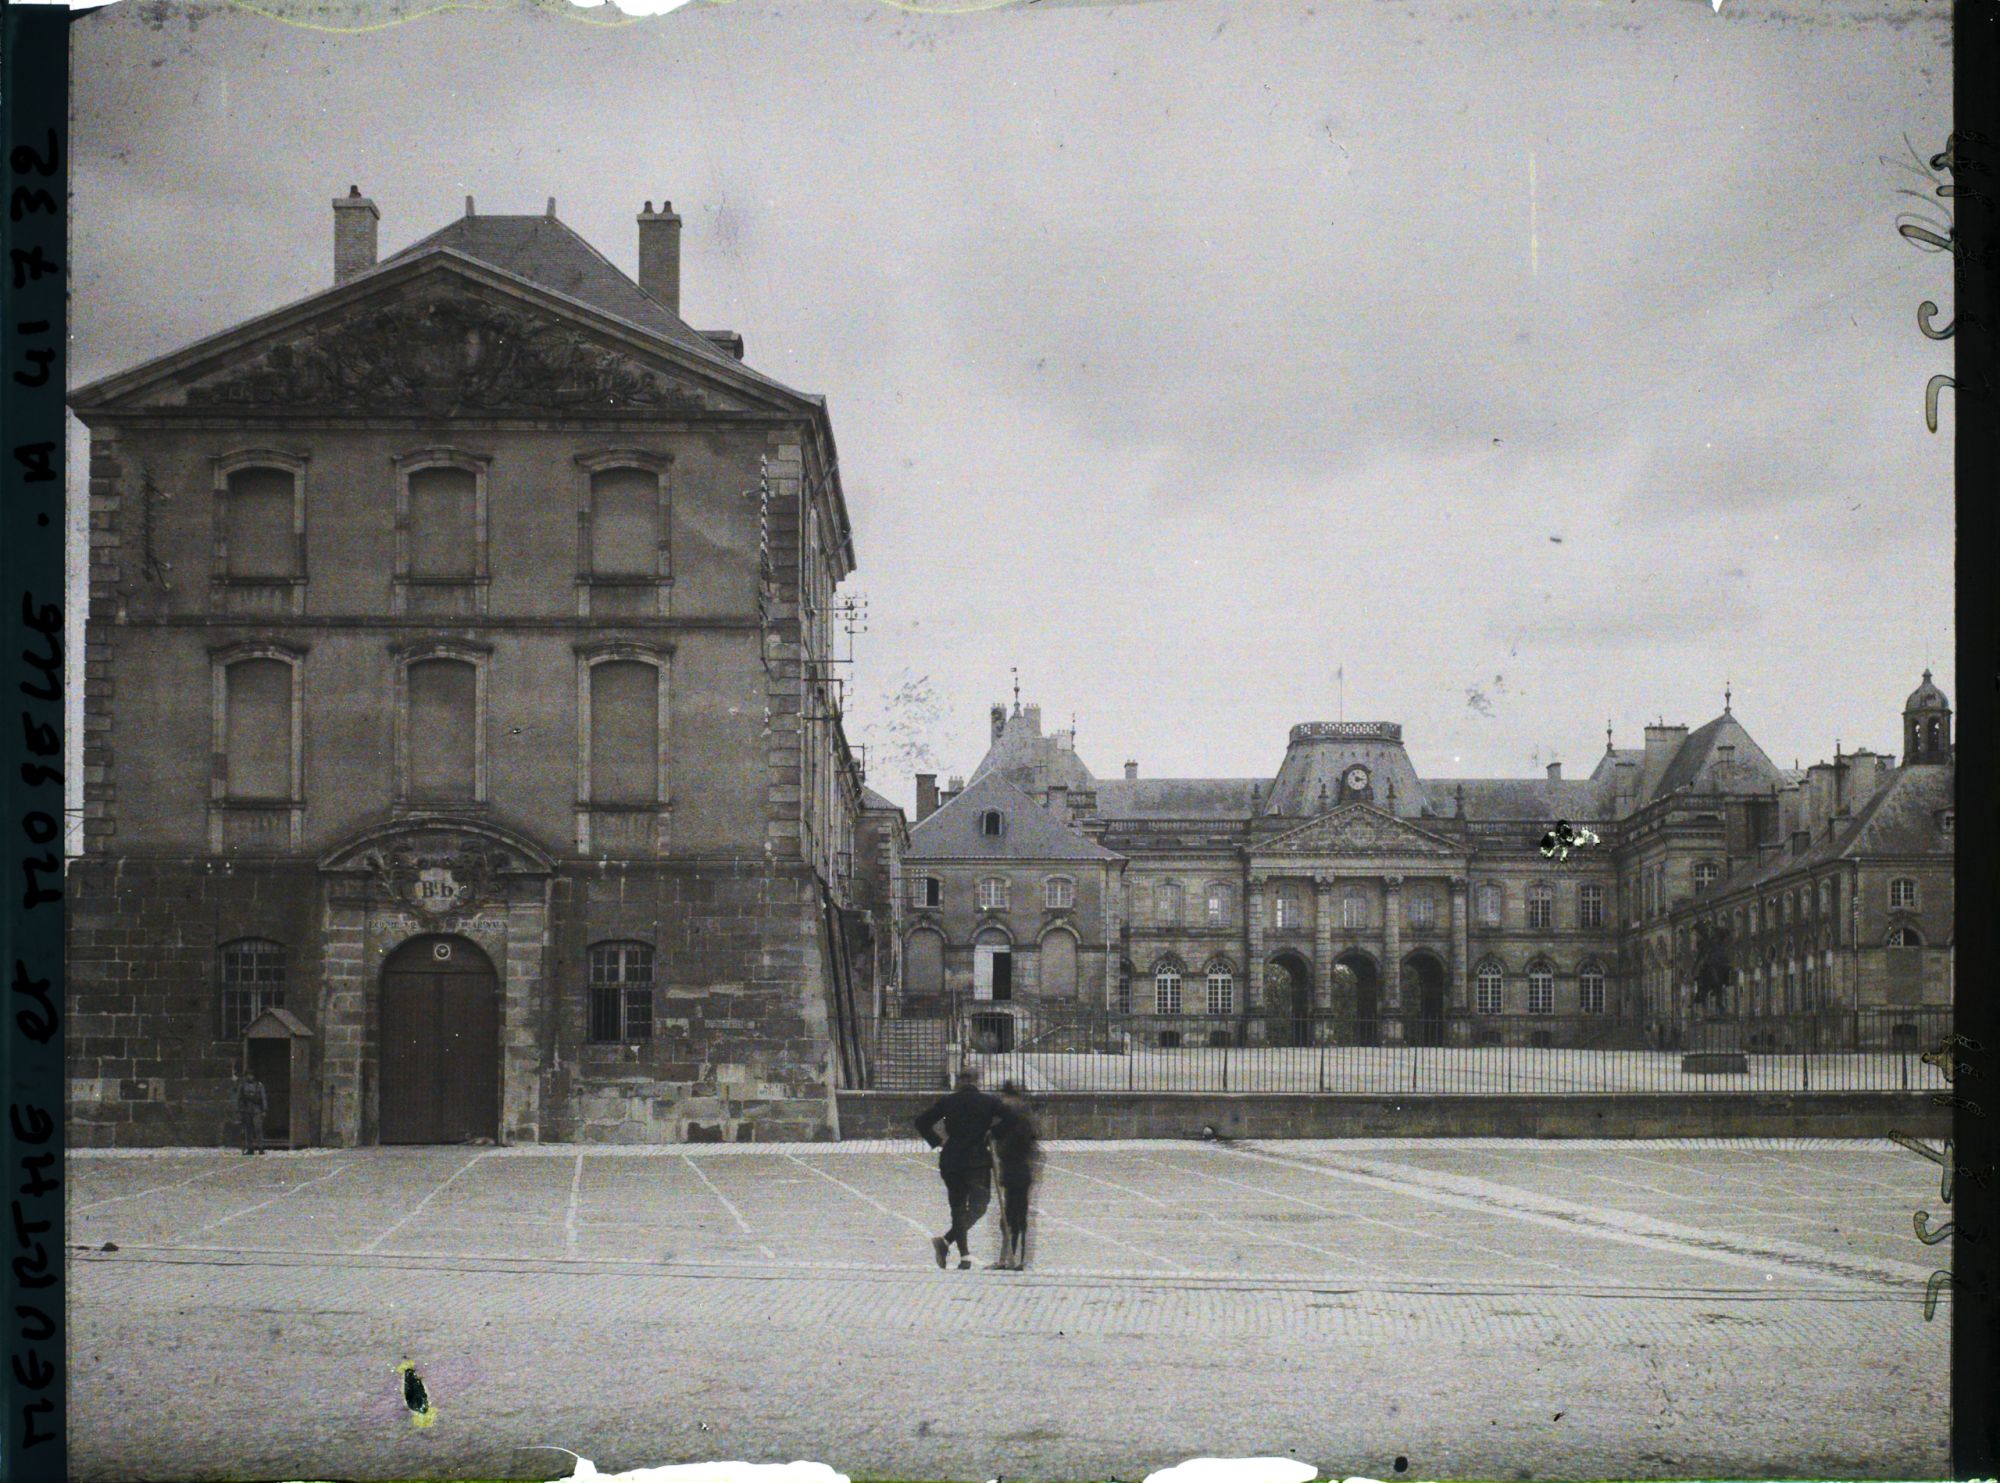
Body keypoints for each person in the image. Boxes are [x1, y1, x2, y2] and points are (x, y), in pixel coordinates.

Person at [914, 1065, 1016, 1270]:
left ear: (960, 1080)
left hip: (951, 1160)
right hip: (976, 1161)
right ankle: (948, 1243)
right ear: (978, 1081)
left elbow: (922, 1121)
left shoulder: (948, 1101)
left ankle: (963, 1255)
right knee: (979, 1205)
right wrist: (993, 1133)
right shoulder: (989, 1101)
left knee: (958, 1207)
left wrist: (939, 1141)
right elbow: (1012, 1118)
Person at [991, 1080, 1042, 1271]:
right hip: (1016, 1170)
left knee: (1014, 1216)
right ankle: (1010, 1257)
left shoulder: (1018, 1120)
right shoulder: (1019, 1118)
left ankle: (1016, 1259)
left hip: (1017, 1170)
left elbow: (1013, 1146)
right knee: (1013, 1215)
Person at [234, 1068, 268, 1156]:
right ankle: (250, 1148)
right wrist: (238, 1110)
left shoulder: (259, 1085)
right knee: (248, 1130)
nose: (250, 1077)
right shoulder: (242, 1086)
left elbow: (263, 1098)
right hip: (246, 1109)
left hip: (257, 1109)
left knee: (258, 1129)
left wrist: (264, 1109)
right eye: (248, 1075)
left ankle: (261, 1147)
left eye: (251, 1075)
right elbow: (238, 1098)